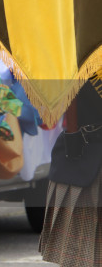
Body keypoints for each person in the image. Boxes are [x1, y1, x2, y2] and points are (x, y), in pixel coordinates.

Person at [39, 82, 102, 265]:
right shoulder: (79, 60)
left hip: (82, 155)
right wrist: (73, 134)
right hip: (83, 156)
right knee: (77, 256)